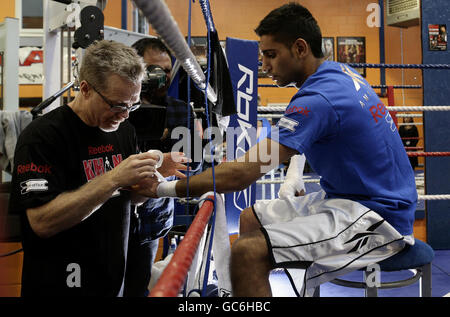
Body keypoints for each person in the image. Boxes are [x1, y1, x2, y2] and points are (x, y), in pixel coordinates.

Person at [138, 3, 417, 297]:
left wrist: (161, 189)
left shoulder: (317, 98)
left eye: (271, 55)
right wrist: (293, 175)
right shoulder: (339, 73)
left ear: (300, 48)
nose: (264, 65)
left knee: (247, 251)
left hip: (379, 216)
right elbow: (313, 136)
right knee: (249, 218)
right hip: (349, 198)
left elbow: (242, 174)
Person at [8, 40, 187, 296]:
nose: (124, 114)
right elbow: (42, 222)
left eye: (132, 105)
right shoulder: (43, 136)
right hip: (61, 284)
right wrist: (114, 177)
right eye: (117, 104)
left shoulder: (124, 129)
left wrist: (149, 178)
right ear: (85, 89)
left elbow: (128, 198)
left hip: (111, 279)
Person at [124, 37, 201, 296]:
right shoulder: (119, 108)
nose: (161, 76)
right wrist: (160, 158)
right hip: (113, 211)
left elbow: (193, 160)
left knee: (138, 283)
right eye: (152, 68)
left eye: (166, 70)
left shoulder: (180, 111)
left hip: (152, 217)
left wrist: (169, 157)